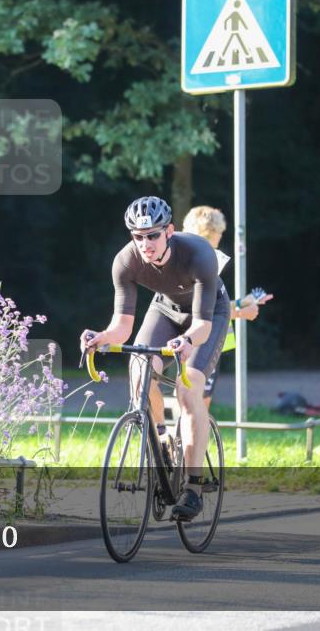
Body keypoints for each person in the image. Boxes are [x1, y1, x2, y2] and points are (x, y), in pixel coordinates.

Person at [80, 196, 230, 520]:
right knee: (139, 367)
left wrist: (188, 340)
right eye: (138, 236)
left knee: (187, 389)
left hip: (208, 315)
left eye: (152, 235)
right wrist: (101, 338)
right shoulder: (125, 261)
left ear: (170, 232)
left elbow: (202, 325)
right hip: (165, 309)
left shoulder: (200, 254)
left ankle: (193, 486)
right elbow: (122, 327)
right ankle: (161, 440)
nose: (145, 244)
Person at [182, 206, 274, 408]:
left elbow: (211, 305)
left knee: (192, 399)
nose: (220, 239)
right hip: (203, 341)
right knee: (197, 404)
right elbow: (204, 312)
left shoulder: (189, 258)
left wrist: (242, 302)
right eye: (219, 233)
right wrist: (243, 313)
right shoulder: (205, 262)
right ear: (209, 233)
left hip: (194, 339)